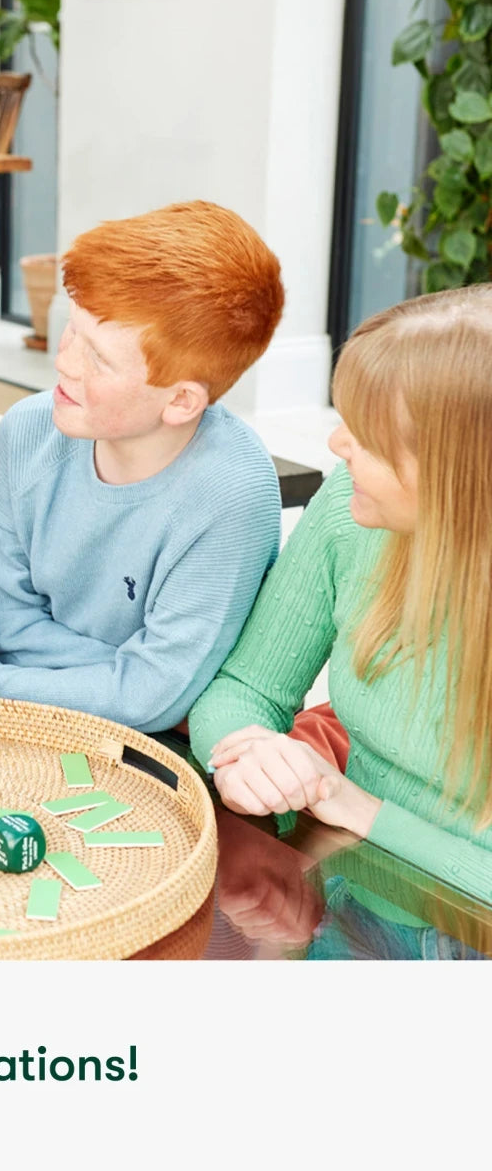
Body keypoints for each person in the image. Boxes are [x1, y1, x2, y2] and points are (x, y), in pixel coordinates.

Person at [0, 201, 284, 735]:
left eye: (99, 358)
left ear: (181, 401)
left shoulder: (233, 492)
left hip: (153, 760)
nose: (64, 362)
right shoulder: (27, 429)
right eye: (71, 331)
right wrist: (120, 676)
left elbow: (147, 702)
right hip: (26, 729)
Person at [190, 285, 492, 905]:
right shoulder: (349, 512)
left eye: (371, 438)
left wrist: (361, 809)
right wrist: (248, 760)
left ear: (455, 474)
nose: (336, 445)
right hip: (350, 891)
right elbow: (247, 686)